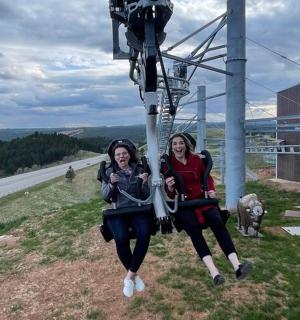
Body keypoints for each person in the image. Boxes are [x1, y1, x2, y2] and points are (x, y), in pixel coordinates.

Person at [164, 133, 252, 286]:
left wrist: (210, 190)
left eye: (181, 143)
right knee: (193, 230)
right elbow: (170, 192)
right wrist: (170, 186)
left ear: (186, 145)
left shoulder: (196, 160)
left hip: (202, 199)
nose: (178, 147)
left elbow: (207, 177)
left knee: (217, 222)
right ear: (171, 148)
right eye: (175, 144)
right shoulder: (169, 164)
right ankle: (214, 272)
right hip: (186, 204)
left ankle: (237, 266)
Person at [101, 140, 152, 298]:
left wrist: (144, 183)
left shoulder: (139, 170)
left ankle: (129, 277)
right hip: (118, 211)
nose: (121, 156)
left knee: (145, 234)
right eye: (118, 154)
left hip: (137, 208)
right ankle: (134, 276)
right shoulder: (109, 173)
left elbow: (146, 195)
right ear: (114, 157)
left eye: (124, 153)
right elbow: (104, 196)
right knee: (121, 237)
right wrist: (110, 185)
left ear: (129, 155)